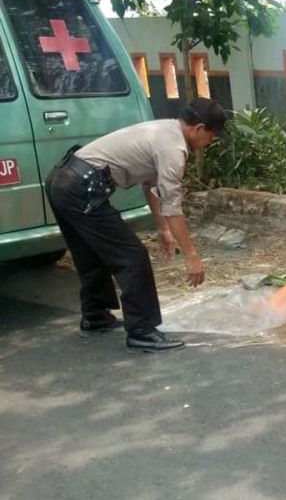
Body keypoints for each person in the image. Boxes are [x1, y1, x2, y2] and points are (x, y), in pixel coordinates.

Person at [45, 98, 227, 352]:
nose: (209, 143)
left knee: (91, 250)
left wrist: (163, 229)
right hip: (80, 187)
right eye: (212, 136)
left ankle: (95, 315)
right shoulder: (173, 148)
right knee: (132, 256)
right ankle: (142, 330)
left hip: (61, 180)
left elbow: (152, 185)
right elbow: (173, 205)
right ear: (198, 128)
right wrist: (191, 255)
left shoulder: (164, 129)